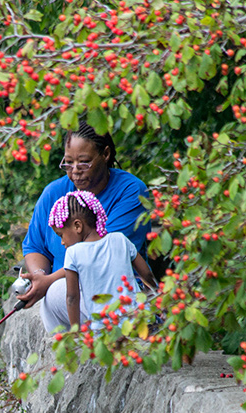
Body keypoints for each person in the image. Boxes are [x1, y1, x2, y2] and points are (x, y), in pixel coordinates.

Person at [20, 122, 149, 332]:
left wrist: (49, 281)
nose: (75, 172)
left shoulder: (130, 191)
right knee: (53, 293)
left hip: (115, 293)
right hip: (69, 296)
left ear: (105, 154)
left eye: (84, 162)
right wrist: (40, 276)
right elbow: (35, 246)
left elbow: (102, 255)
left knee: (55, 291)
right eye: (68, 163)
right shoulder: (54, 193)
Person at [49, 190, 157, 332]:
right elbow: (147, 274)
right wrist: (155, 300)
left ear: (77, 226)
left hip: (106, 328)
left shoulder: (73, 253)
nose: (62, 242)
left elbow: (72, 298)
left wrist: (76, 333)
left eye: (61, 235)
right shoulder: (120, 239)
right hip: (139, 319)